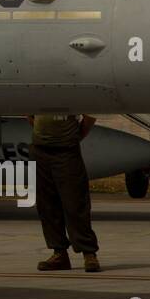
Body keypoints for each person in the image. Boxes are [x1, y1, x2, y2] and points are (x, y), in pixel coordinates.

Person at [30, 113, 101, 272]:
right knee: (47, 206)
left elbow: (90, 116)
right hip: (40, 150)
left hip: (66, 151)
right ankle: (59, 253)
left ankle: (89, 253)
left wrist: (74, 138)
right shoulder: (36, 91)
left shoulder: (69, 90)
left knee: (75, 204)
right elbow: (29, 114)